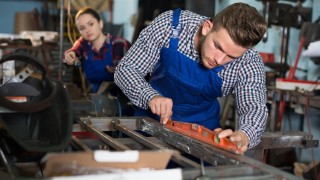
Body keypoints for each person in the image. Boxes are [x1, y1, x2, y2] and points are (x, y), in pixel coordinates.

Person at [114, 3, 268, 154]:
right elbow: (127, 69)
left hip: (202, 135)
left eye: (231, 56)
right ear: (207, 27)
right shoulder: (171, 26)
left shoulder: (249, 61)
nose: (219, 60)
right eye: (218, 47)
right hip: (151, 124)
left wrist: (244, 135)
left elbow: (254, 106)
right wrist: (150, 96)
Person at [63, 7, 130, 93]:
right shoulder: (83, 45)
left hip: (124, 97)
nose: (87, 30)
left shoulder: (120, 44)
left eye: (91, 24)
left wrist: (119, 71)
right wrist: (70, 57)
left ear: (100, 23)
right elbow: (72, 55)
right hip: (96, 98)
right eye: (82, 28)